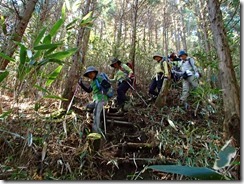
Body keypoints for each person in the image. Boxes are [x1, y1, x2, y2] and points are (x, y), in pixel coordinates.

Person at [78, 66, 108, 134]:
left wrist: (104, 86)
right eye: (89, 74)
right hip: (96, 100)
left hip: (101, 99)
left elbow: (107, 85)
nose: (90, 75)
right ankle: (99, 122)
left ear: (95, 73)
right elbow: (89, 90)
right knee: (87, 106)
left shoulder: (99, 78)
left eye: (91, 73)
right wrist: (81, 84)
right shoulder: (93, 82)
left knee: (96, 114)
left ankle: (96, 132)